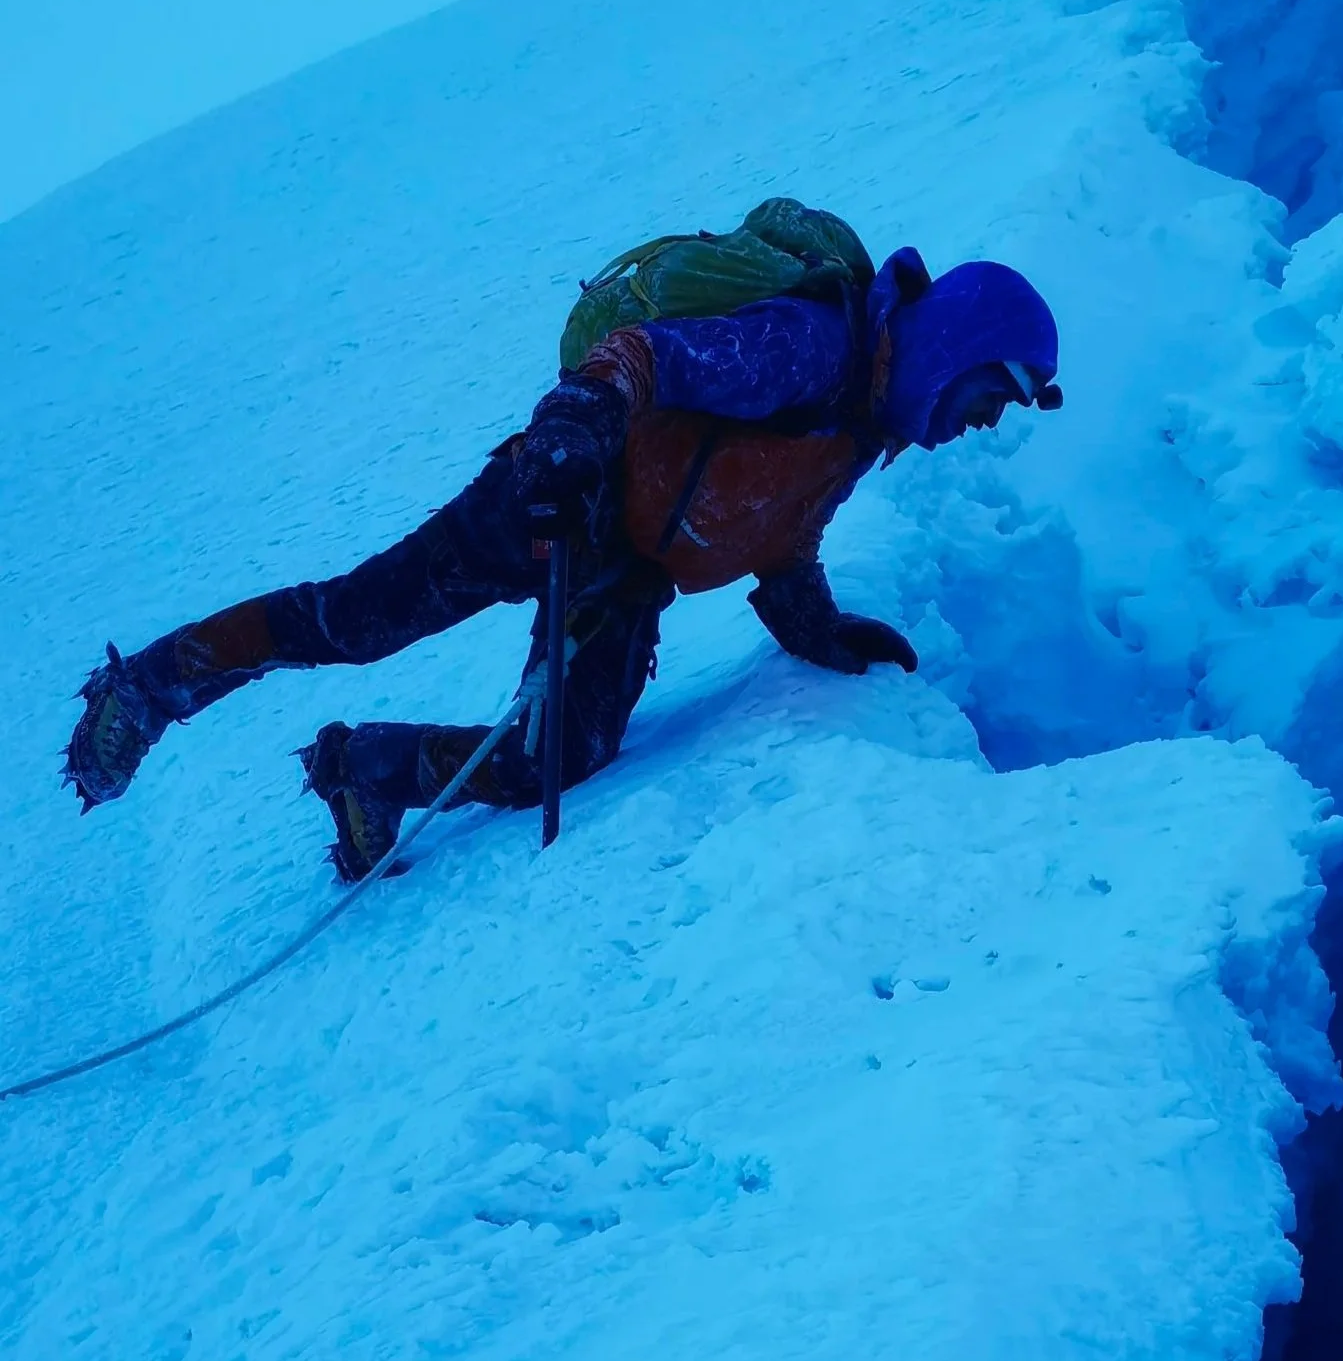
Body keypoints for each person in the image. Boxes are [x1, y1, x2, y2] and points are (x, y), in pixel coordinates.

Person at [65, 220, 1061, 881]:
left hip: (624, 567)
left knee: (566, 754)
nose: (977, 424)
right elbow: (645, 357)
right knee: (361, 619)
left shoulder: (863, 417)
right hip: (556, 495)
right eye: (985, 398)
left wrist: (818, 626)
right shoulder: (810, 347)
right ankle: (148, 688)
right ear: (954, 348)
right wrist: (574, 428)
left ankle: (366, 768)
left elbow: (783, 525)